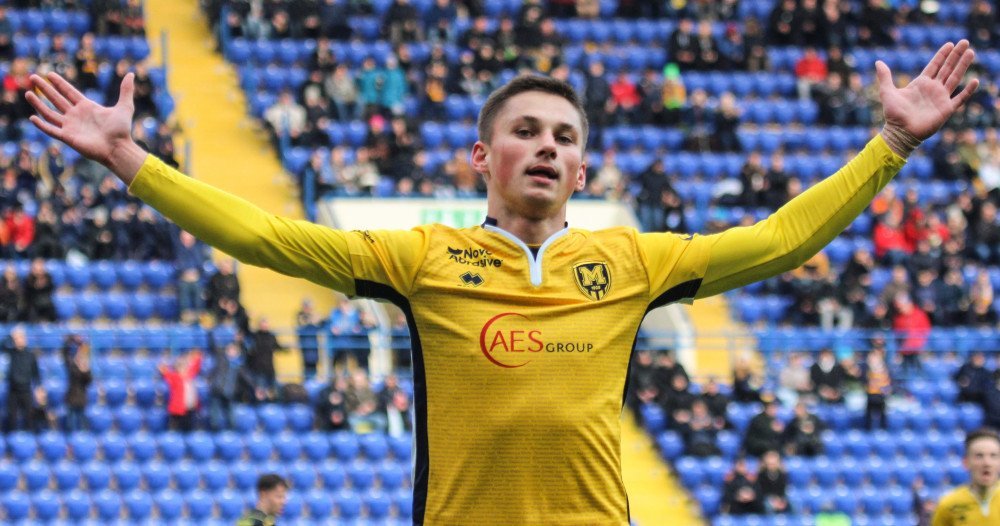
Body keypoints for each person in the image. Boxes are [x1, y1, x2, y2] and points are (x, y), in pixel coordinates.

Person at [25, 40, 979, 524]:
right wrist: (132, 161)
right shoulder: (422, 257)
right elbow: (268, 237)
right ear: (482, 155)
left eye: (564, 136)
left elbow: (777, 241)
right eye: (526, 131)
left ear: (583, 168)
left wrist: (890, 144)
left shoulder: (634, 262)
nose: (546, 146)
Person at [931, 428, 1000, 525]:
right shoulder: (949, 504)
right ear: (966, 462)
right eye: (979, 456)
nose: (987, 463)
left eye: (993, 456)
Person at [3, 326, 40, 432]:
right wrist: (11, 336)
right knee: (12, 417)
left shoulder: (30, 355)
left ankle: (29, 438)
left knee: (29, 416)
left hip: (26, 390)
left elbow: (36, 373)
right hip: (13, 390)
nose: (18, 340)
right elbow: (2, 345)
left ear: (25, 339)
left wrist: (39, 388)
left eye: (20, 338)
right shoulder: (11, 353)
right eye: (16, 338)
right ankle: (12, 438)